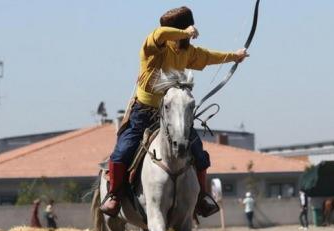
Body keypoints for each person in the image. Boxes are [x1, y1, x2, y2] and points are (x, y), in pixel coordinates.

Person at [99, 6, 249, 217]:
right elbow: (159, 34)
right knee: (121, 153)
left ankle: (201, 196)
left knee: (198, 152)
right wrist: (186, 32)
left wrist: (235, 56)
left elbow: (207, 57)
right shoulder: (154, 48)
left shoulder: (187, 53)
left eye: (172, 29)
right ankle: (114, 195)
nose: (167, 33)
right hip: (143, 113)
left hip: (172, 115)